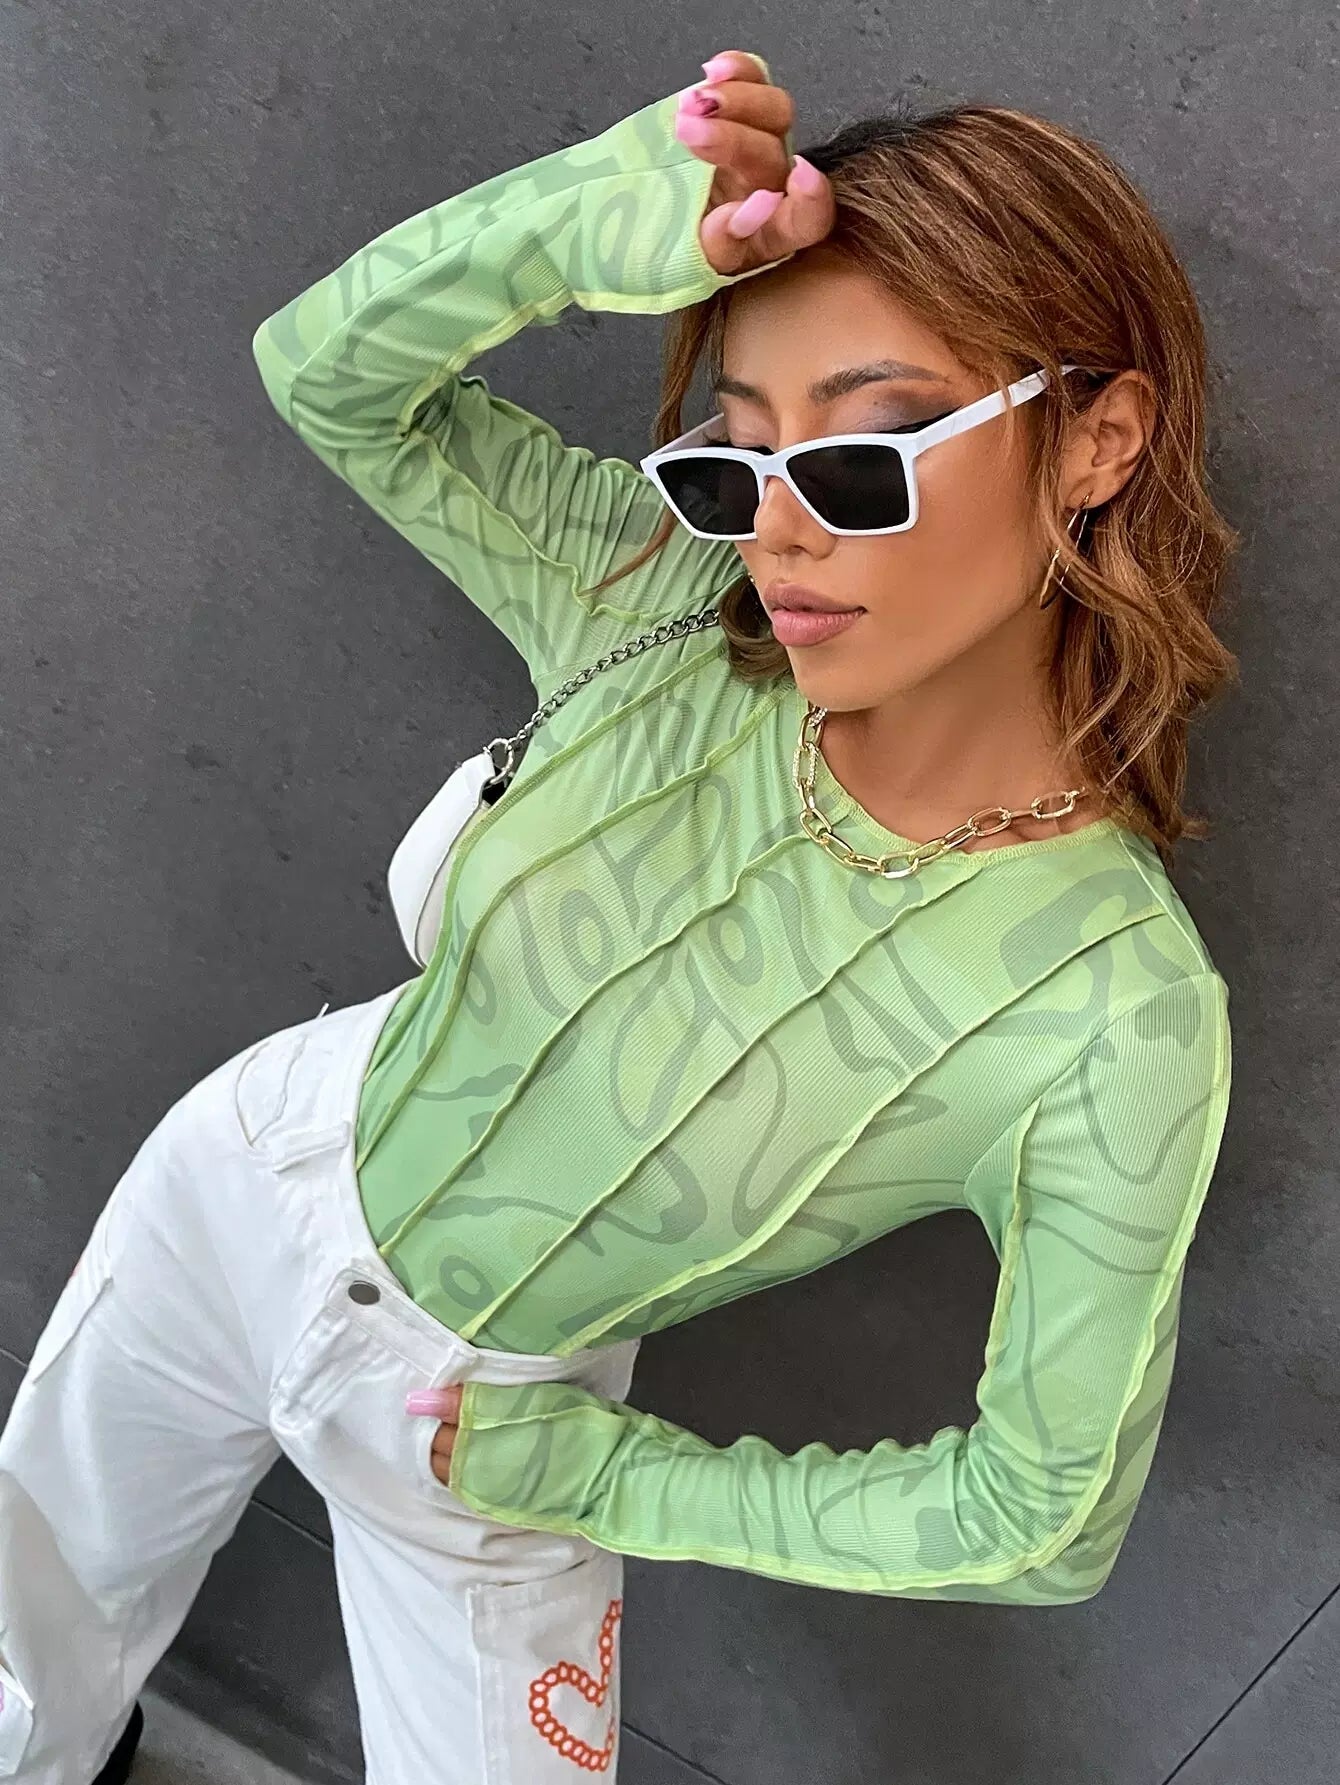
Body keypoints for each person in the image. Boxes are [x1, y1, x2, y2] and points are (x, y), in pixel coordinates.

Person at [0, 44, 1237, 1785]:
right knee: (18, 1656)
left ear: (1097, 437)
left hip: (488, 1422)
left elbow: (1046, 1514)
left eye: (868, 456)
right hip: (245, 1175)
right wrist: (582, 223)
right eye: (738, 460)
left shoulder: (1113, 1007)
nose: (780, 538)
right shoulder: (659, 594)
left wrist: (616, 1479)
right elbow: (327, 375)